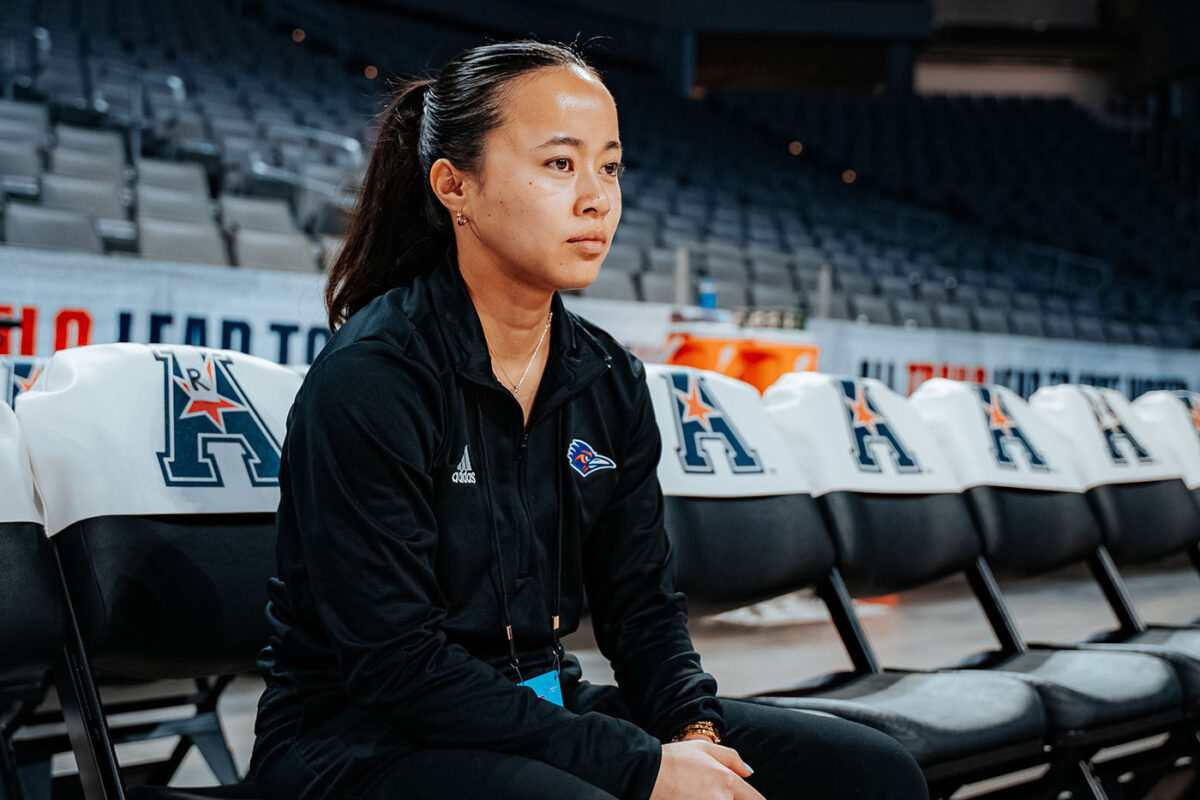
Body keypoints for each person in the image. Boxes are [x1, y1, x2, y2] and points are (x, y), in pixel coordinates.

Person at [249, 39, 928, 800]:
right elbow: (395, 664)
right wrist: (639, 766)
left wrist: (692, 736)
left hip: (541, 709)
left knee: (872, 774)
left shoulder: (606, 375)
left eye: (609, 167)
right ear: (454, 186)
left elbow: (640, 606)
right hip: (358, 740)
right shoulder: (372, 377)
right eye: (559, 164)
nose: (596, 198)